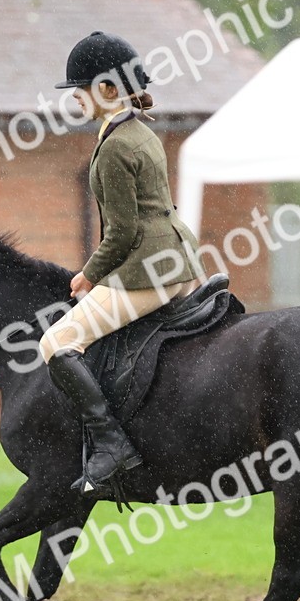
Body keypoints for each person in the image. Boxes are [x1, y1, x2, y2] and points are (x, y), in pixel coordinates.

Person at [40, 30, 205, 499]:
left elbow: (123, 233)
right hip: (174, 261)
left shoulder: (115, 146)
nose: (75, 96)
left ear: (108, 90)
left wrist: (88, 275)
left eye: (82, 87)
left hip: (148, 270)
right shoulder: (138, 130)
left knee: (57, 340)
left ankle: (113, 447)